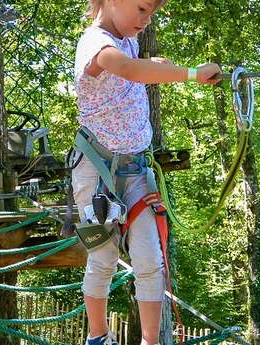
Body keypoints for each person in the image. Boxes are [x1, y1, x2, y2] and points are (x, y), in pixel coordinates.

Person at [73, 1, 221, 344]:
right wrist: (191, 74)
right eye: (141, 8)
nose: (146, 20)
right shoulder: (94, 42)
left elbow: (132, 71)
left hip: (136, 170)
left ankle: (151, 341)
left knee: (150, 260)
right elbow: (125, 69)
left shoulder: (129, 40)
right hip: (97, 172)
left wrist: (151, 64)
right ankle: (98, 336)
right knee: (103, 256)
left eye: (151, 12)